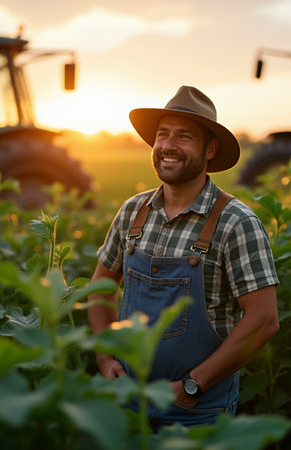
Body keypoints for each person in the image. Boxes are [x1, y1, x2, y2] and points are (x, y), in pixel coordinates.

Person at [87, 85, 279, 429]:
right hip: (128, 398)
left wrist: (193, 384)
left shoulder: (237, 223)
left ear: (211, 150)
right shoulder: (133, 212)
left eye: (184, 137)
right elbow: (100, 286)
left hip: (196, 411)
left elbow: (264, 320)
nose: (168, 146)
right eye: (163, 134)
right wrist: (104, 356)